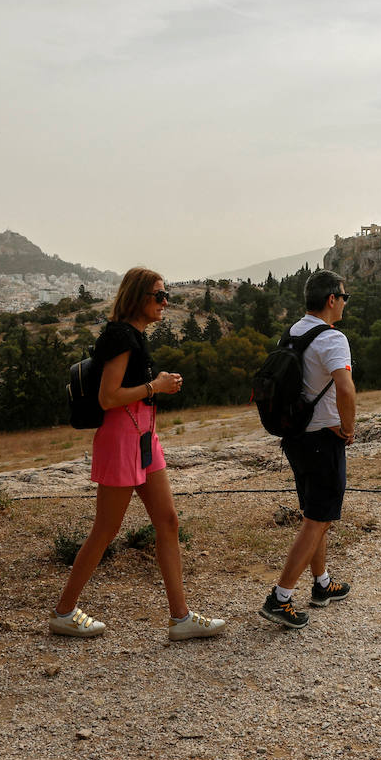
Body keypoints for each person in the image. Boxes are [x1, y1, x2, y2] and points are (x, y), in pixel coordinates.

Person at [50, 267, 226, 642]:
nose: (166, 302)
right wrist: (155, 386)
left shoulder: (133, 337)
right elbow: (107, 398)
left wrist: (153, 385)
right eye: (159, 296)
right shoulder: (121, 337)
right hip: (121, 439)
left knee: (168, 522)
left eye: (166, 296)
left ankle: (180, 618)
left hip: (144, 437)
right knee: (105, 529)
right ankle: (64, 612)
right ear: (139, 298)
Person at [259, 269, 355, 629]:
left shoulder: (294, 331)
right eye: (344, 297)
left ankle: (322, 584)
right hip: (322, 440)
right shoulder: (333, 339)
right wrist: (348, 428)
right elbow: (345, 389)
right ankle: (280, 598)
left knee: (315, 515)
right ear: (332, 299)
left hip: (296, 438)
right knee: (319, 518)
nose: (345, 303)